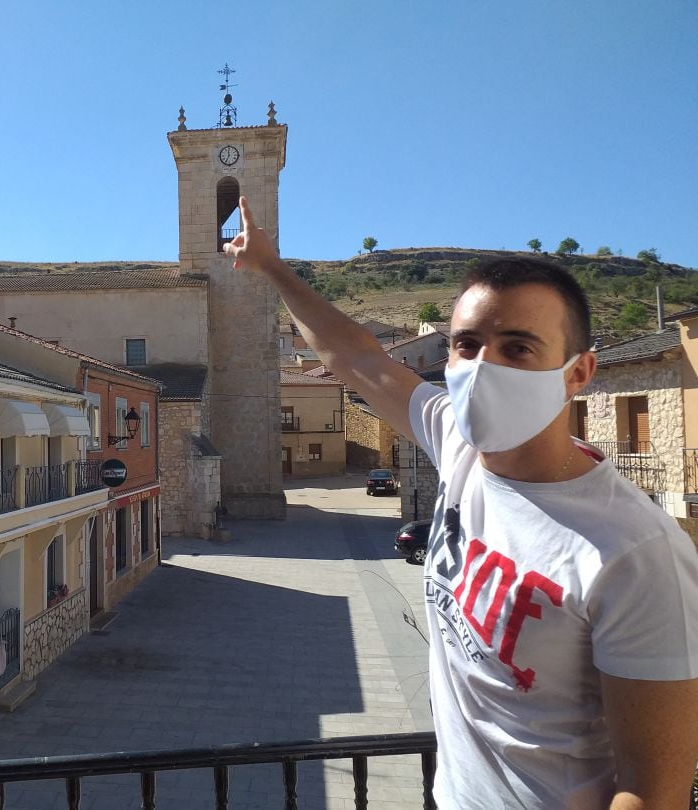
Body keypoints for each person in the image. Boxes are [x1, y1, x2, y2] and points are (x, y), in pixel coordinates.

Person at [225, 197, 698, 808]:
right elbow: (357, 356)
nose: (483, 366)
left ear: (578, 373)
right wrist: (271, 267)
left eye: (518, 348)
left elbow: (651, 792)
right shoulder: (458, 443)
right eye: (466, 345)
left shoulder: (638, 553)